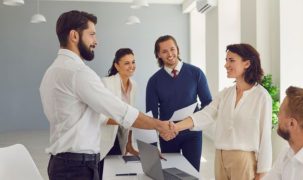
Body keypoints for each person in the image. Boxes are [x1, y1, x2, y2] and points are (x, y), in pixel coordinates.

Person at [39, 10, 175, 180]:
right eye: (92, 34)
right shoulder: (78, 73)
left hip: (61, 163)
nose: (96, 41)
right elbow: (122, 111)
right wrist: (158, 125)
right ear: (74, 35)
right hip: (78, 168)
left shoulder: (52, 71)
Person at [173, 43, 272, 180]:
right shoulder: (226, 94)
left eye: (231, 60)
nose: (226, 65)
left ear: (247, 63)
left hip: (243, 160)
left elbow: (265, 137)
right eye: (226, 60)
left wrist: (261, 174)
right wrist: (175, 127)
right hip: (220, 157)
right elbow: (206, 114)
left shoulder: (262, 96)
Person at [146, 35, 212, 171]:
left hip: (192, 134)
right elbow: (151, 116)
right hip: (167, 135)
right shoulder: (154, 81)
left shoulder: (196, 73)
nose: (170, 54)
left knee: (192, 173)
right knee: (171, 173)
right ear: (158, 55)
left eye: (172, 49)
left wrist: (197, 122)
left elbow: (207, 104)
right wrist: (152, 146)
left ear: (178, 49)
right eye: (164, 51)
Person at [98, 48, 139, 179]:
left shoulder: (134, 85)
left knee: (115, 173)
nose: (131, 66)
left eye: (133, 62)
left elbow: (131, 115)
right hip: (104, 136)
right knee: (103, 173)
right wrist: (124, 120)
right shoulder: (106, 83)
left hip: (120, 137)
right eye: (126, 63)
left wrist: (129, 143)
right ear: (117, 65)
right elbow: (99, 115)